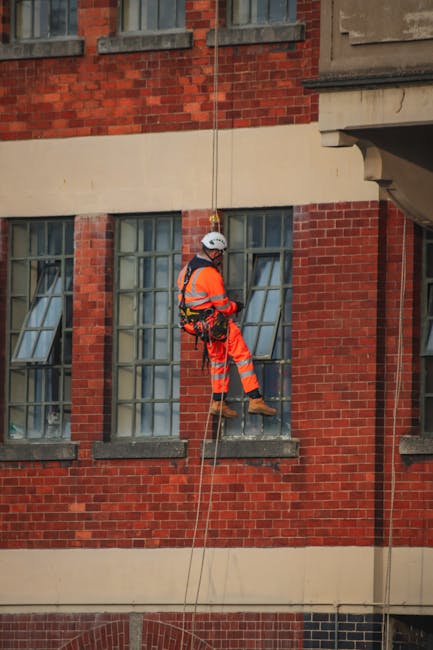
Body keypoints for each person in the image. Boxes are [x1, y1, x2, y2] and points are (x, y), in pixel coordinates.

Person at [177, 231, 276, 419]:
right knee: (242, 355)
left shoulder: (186, 270)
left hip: (196, 324)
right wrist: (237, 305)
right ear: (215, 253)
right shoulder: (210, 274)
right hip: (213, 322)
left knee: (218, 359)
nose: (220, 258)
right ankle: (255, 399)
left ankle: (218, 402)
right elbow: (223, 307)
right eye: (221, 254)